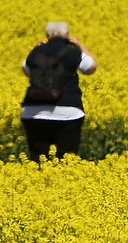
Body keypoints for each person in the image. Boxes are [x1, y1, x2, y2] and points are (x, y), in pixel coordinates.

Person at [19, 21, 96, 162]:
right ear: (67, 36)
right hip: (68, 112)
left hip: (34, 113)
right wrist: (79, 45)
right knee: (66, 161)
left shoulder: (36, 52)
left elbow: (27, 70)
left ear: (47, 36)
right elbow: (90, 68)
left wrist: (35, 49)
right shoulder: (73, 52)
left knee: (38, 163)